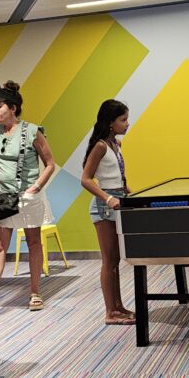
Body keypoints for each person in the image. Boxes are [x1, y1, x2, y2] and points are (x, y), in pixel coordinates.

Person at [0, 81, 57, 319]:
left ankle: (34, 291)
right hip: (2, 196)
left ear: (13, 108)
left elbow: (50, 164)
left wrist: (35, 187)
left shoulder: (33, 131)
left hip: (28, 195)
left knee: (33, 241)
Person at [80, 99, 134, 325]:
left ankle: (118, 306)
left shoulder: (116, 144)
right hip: (104, 207)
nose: (127, 123)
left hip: (119, 201)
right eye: (123, 119)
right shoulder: (101, 146)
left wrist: (129, 192)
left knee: (115, 261)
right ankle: (110, 312)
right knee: (108, 261)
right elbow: (85, 179)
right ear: (110, 122)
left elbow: (119, 177)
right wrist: (109, 198)